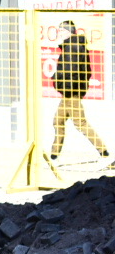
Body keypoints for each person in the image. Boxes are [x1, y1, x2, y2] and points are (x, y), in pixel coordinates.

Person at [49, 20, 108, 161]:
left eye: (62, 31)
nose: (60, 33)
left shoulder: (72, 46)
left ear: (69, 32)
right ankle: (54, 154)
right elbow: (85, 71)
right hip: (69, 93)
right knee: (58, 120)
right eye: (59, 30)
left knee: (80, 123)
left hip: (70, 92)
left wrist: (62, 85)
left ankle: (103, 150)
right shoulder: (74, 45)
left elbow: (72, 71)